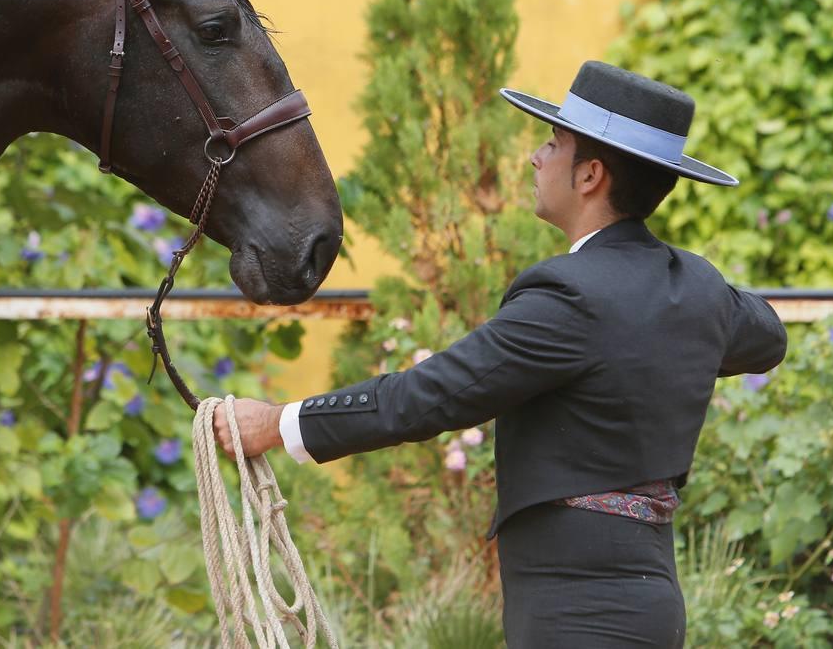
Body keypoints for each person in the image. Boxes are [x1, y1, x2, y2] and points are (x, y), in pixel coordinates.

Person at [213, 60, 788, 647]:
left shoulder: (570, 297)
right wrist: (673, 298)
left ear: (590, 175)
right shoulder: (694, 287)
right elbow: (768, 336)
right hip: (652, 606)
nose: (536, 157)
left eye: (552, 143)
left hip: (574, 614)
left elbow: (426, 398)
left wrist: (278, 424)